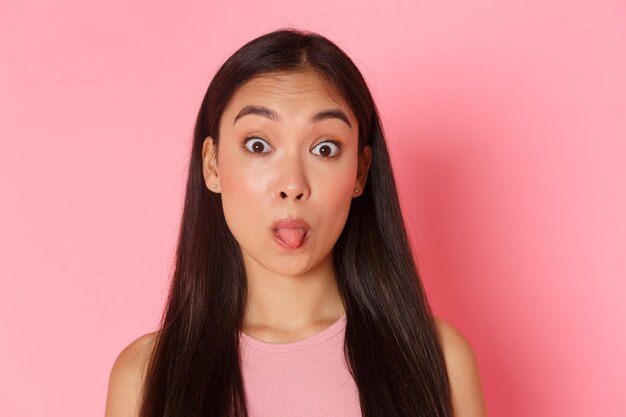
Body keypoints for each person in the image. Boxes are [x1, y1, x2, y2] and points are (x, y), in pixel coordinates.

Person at [104, 28, 486, 417]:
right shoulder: (145, 377)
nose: (292, 185)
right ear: (212, 164)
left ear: (360, 172)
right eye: (258, 145)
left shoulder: (439, 361)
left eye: (325, 148)